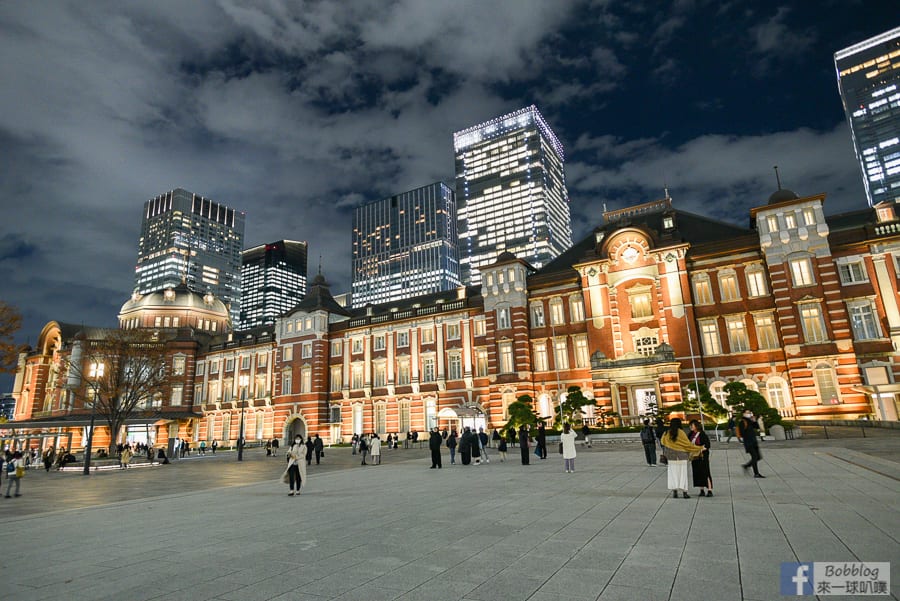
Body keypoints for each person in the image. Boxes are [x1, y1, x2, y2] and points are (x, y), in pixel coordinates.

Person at [660, 418, 703, 499]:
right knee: (683, 474)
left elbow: (662, 442)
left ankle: (675, 492)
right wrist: (699, 448)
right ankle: (684, 493)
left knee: (673, 475)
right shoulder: (681, 432)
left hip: (671, 457)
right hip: (682, 457)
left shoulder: (666, 433)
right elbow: (687, 444)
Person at [688, 420, 713, 497]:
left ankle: (709, 490)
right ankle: (701, 490)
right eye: (690, 425)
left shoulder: (702, 434)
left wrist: (701, 449)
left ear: (696, 426)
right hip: (694, 456)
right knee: (697, 472)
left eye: (692, 425)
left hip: (702, 456)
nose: (691, 427)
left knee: (705, 471)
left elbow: (708, 445)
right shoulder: (690, 434)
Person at [739, 411, 765, 478]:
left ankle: (746, 466)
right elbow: (742, 433)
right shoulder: (742, 421)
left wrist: (754, 421)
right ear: (744, 414)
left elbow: (756, 427)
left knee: (758, 457)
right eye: (747, 412)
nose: (749, 414)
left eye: (750, 412)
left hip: (754, 442)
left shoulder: (750, 421)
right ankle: (756, 473)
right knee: (754, 457)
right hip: (748, 442)